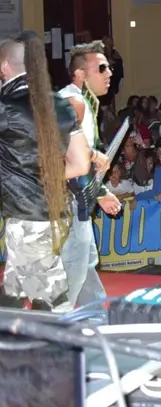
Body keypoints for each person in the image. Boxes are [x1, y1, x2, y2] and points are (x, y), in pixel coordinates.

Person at [0, 33, 92, 311]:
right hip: (53, 214)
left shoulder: (5, 107)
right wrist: (43, 176)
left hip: (26, 219)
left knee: (53, 303)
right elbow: (81, 164)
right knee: (13, 291)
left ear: (4, 67)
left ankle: (64, 338)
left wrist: (25, 176)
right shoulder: (62, 105)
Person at [58, 41, 123, 307]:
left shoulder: (81, 101)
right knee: (74, 266)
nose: (109, 73)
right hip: (66, 199)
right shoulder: (74, 102)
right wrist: (95, 156)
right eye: (102, 68)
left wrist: (101, 192)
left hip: (72, 196)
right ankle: (55, 324)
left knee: (83, 263)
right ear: (81, 74)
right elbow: (62, 153)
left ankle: (94, 317)